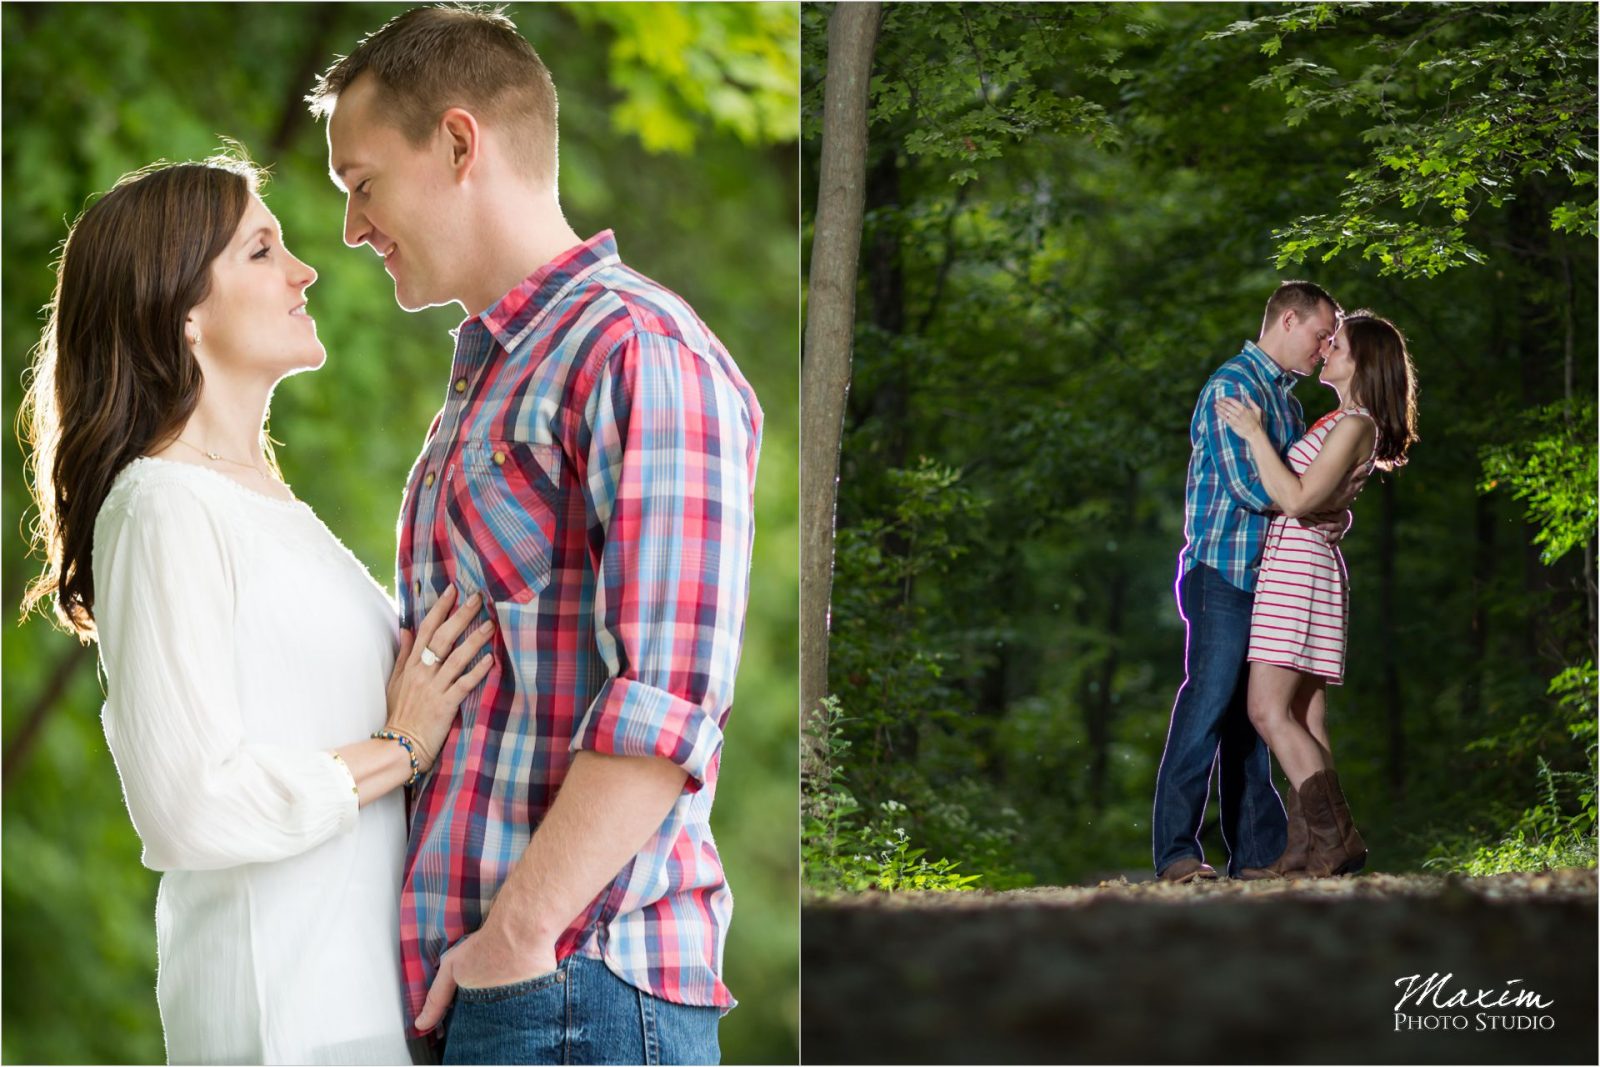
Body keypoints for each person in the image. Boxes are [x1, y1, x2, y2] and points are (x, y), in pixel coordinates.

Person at [308, 8, 762, 1064]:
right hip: (496, 992)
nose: (352, 230)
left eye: (360, 185)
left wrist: (520, 932)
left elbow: (670, 696)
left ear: (459, 144)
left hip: (576, 986)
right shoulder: (498, 375)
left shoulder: (637, 349)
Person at [19, 157, 493, 1063]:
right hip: (282, 1016)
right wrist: (399, 749)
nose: (305, 269)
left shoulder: (264, 504)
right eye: (262, 249)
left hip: (359, 1008)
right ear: (182, 312)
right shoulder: (161, 505)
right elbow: (189, 806)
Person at [1150, 281, 1345, 884]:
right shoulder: (1234, 386)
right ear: (1289, 320)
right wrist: (1312, 503)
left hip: (1269, 580)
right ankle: (1177, 854)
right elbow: (1255, 489)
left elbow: (1304, 488)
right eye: (1320, 334)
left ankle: (1257, 855)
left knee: (1251, 719)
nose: (1324, 347)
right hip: (1222, 573)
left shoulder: (1284, 403)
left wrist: (1321, 504)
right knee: (1207, 705)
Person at [1216, 311, 1418, 878]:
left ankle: (1338, 840)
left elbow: (1301, 501)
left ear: (1363, 361)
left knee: (1266, 709)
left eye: (1340, 342)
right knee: (1305, 719)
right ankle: (1309, 851)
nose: (1327, 346)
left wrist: (1255, 433)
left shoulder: (1356, 425)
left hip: (1299, 570)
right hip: (1304, 566)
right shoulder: (1346, 420)